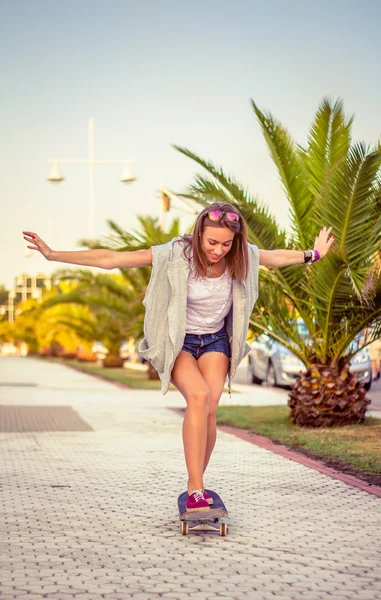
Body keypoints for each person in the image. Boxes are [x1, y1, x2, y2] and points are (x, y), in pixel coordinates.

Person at [23, 202, 335, 512]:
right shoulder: (175, 253)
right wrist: (53, 254)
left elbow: (276, 258)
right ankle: (197, 488)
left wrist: (314, 254)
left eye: (226, 244)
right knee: (198, 397)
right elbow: (113, 259)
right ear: (199, 234)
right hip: (179, 342)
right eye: (212, 242)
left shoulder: (242, 255)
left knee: (210, 407)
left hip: (215, 341)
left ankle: (195, 483)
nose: (218, 251)